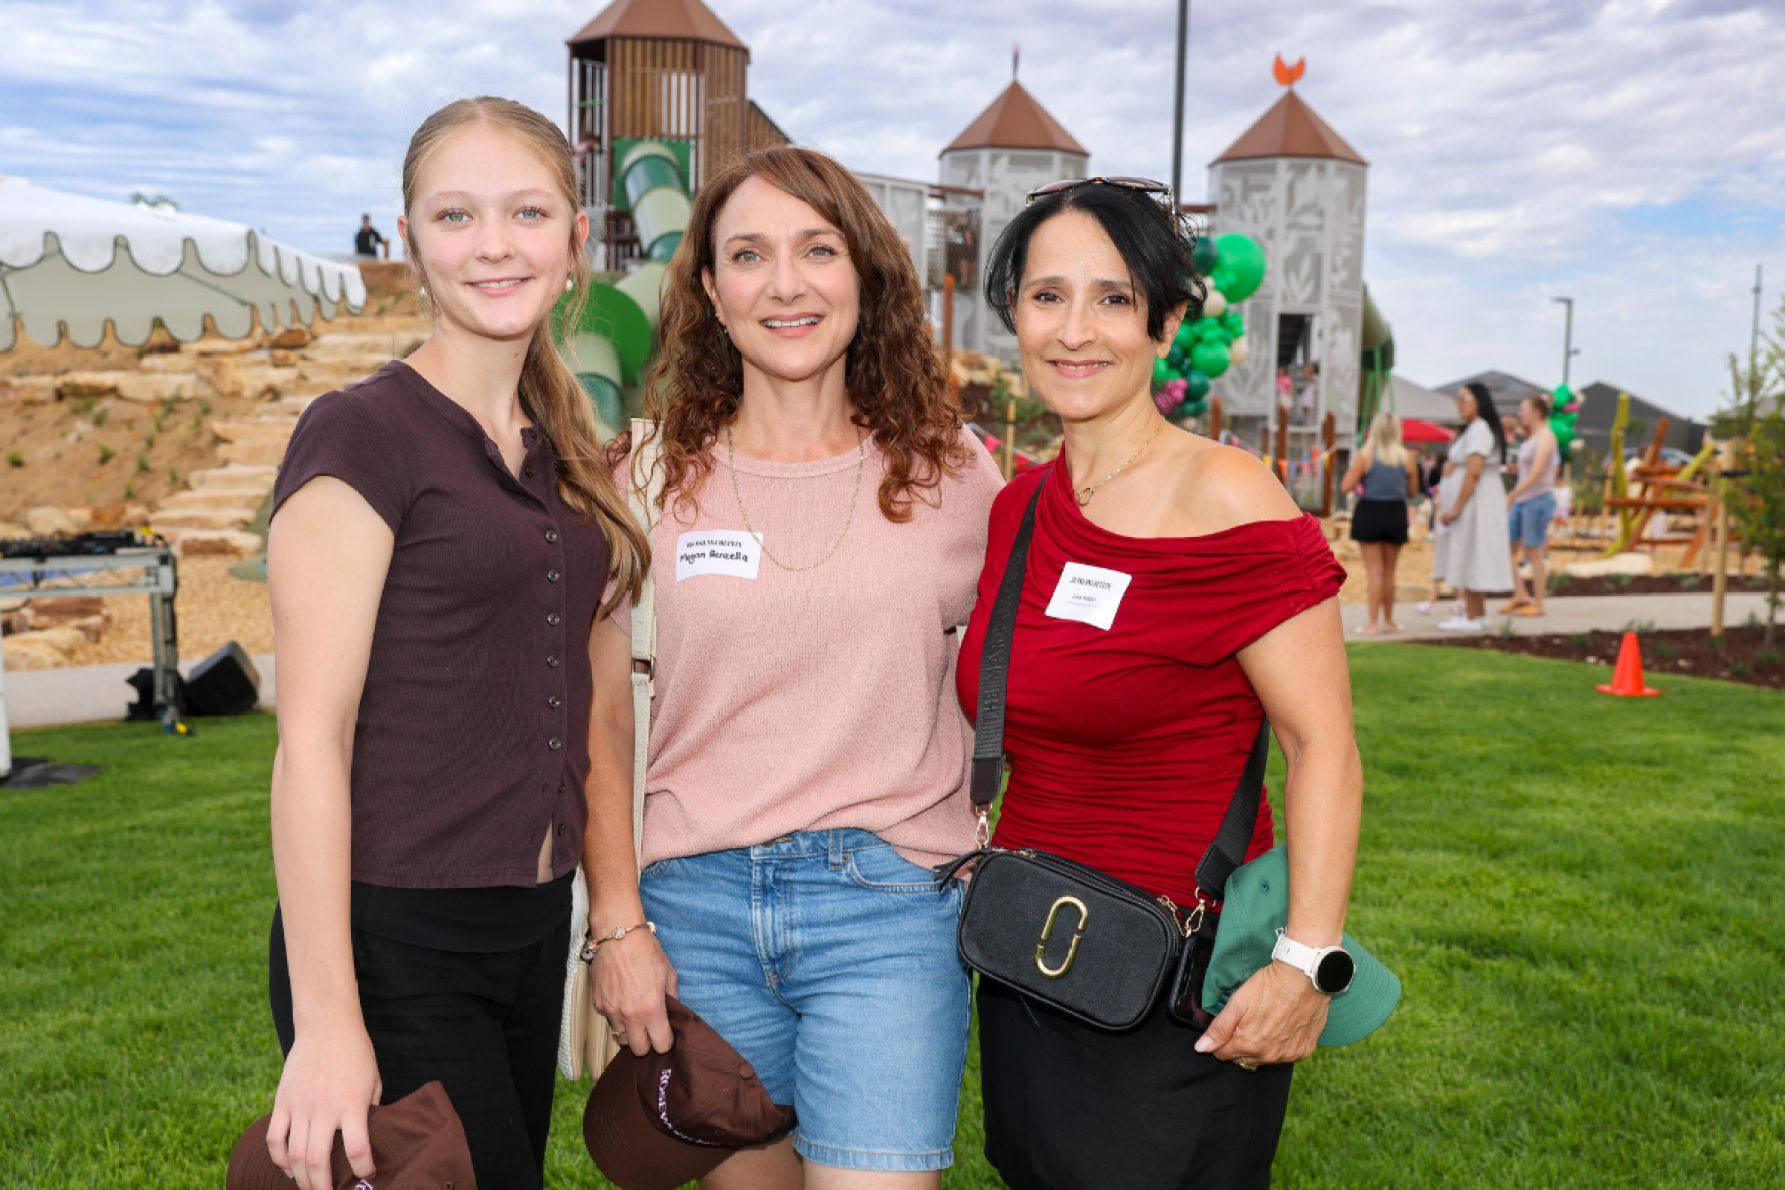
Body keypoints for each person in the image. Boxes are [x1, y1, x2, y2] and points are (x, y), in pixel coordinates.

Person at [584, 145, 1004, 1188]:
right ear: (711, 291)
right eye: (749, 253)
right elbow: (600, 723)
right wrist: (619, 923)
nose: (786, 283)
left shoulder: (956, 475)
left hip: (892, 909)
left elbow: (1024, 676)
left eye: (817, 248)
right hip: (696, 910)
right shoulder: (641, 477)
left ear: (864, 274)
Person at [261, 96, 647, 1190]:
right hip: (394, 940)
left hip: (528, 931)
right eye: (455, 215)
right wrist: (331, 1020)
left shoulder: (561, 447)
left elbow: (593, 689)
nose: (494, 246)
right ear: (412, 240)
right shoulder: (361, 432)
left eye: (528, 212)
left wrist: (608, 914)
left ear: (577, 242)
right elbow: (311, 746)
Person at [959, 177, 1361, 1188]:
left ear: (1168, 319)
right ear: (1013, 312)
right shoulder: (1018, 507)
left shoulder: (1228, 494)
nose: (1075, 329)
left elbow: (1324, 745)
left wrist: (1308, 960)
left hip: (1184, 979)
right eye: (1047, 296)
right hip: (1031, 955)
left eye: (1114, 297)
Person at [1435, 381, 1515, 631]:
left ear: (1478, 400)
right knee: (1473, 550)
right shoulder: (1475, 429)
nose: (1459, 403)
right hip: (1476, 499)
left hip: (1476, 502)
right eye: (1458, 398)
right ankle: (1476, 613)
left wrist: (1457, 506)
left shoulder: (1480, 429)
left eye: (1464, 398)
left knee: (1471, 549)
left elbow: (1474, 472)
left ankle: (1472, 615)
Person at [1340, 411, 1419, 634]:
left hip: (1370, 512)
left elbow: (1345, 486)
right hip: (1395, 512)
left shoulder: (1365, 456)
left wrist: (1363, 479)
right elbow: (1412, 491)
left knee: (1374, 572)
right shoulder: (1407, 457)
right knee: (1390, 572)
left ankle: (1372, 624)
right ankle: (1390, 622)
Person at [1503, 393, 1560, 616]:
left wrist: (1512, 494)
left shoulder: (1546, 437)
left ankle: (1539, 604)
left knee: (1533, 551)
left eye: (1523, 409)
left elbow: (1537, 472)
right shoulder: (1532, 437)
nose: (1520, 414)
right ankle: (1520, 594)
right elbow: (1530, 470)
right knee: (1507, 547)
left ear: (1536, 413)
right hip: (1523, 498)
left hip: (1536, 499)